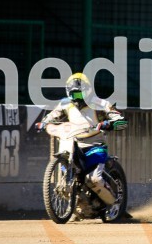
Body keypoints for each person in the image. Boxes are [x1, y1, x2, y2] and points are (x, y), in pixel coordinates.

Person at [37, 73, 127, 205]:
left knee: (94, 179)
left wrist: (109, 123)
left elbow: (122, 122)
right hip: (73, 144)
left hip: (95, 145)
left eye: (80, 94)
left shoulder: (101, 104)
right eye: (74, 95)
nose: (77, 98)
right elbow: (52, 116)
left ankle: (115, 202)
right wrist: (43, 123)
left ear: (88, 91)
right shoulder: (65, 104)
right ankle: (76, 204)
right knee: (66, 177)